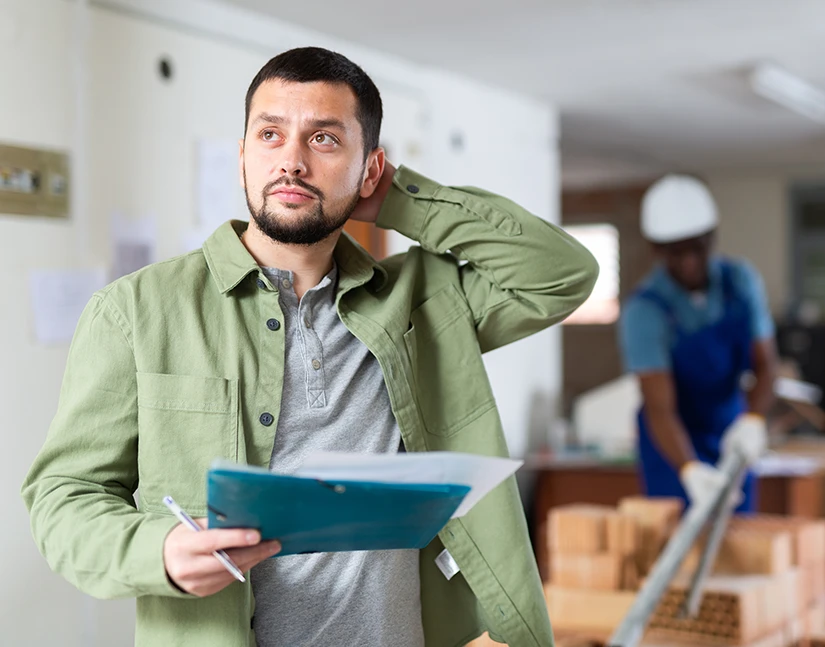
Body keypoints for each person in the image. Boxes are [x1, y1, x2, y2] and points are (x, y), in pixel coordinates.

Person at [22, 47, 597, 647]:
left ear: (369, 169)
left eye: (324, 140)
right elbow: (64, 497)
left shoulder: (423, 302)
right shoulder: (135, 311)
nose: (291, 162)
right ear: (243, 155)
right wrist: (158, 551)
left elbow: (559, 274)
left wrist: (400, 200)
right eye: (270, 134)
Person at [617, 175, 777, 513]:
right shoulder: (645, 310)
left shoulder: (740, 283)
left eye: (697, 246)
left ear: (712, 237)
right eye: (676, 252)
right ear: (656, 250)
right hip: (670, 440)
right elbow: (660, 407)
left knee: (739, 537)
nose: (689, 260)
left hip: (730, 430)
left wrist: (753, 421)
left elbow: (766, 365)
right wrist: (689, 469)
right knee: (676, 538)